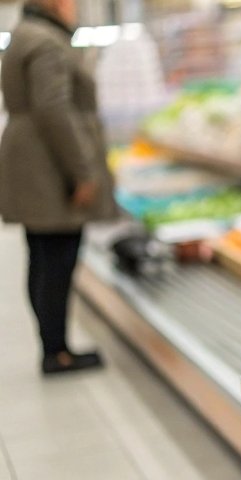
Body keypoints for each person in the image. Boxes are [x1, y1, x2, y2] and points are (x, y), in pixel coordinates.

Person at [0, 0, 118, 375]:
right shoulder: (47, 42)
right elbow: (54, 108)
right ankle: (57, 352)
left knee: (41, 255)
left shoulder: (26, 34)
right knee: (57, 260)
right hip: (49, 166)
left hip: (32, 158)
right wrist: (82, 172)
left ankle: (53, 346)